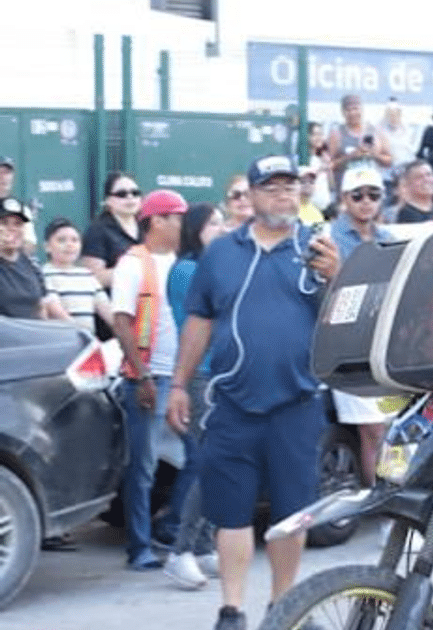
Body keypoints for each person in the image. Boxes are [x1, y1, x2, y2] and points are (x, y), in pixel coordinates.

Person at [166, 155, 340, 630]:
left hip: (298, 404)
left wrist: (337, 278)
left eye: (292, 185)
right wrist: (180, 384)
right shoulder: (221, 253)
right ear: (253, 194)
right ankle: (232, 609)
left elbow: (346, 318)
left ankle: (283, 609)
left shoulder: (318, 249)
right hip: (233, 404)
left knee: (291, 515)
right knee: (231, 513)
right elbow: (198, 322)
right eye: (273, 186)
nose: (284, 193)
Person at [110, 189, 188, 570]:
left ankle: (171, 526)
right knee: (143, 467)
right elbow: (121, 320)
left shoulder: (183, 262)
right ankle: (139, 547)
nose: (182, 224)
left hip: (181, 379)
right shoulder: (133, 264)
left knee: (199, 458)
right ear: (157, 221)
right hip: (150, 377)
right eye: (177, 217)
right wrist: (142, 377)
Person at [162, 202, 226, 590]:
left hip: (219, 374)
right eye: (213, 223)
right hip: (200, 376)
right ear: (195, 230)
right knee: (209, 464)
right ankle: (180, 551)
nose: (221, 229)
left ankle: (202, 546)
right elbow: (214, 315)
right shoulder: (187, 270)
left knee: (216, 463)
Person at [328, 166, 391, 488]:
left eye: (373, 195)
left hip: (385, 348)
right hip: (347, 348)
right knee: (374, 431)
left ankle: (390, 506)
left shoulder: (387, 238)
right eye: (358, 195)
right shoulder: (329, 238)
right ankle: (380, 506)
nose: (366, 202)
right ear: (344, 199)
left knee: (391, 433)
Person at [0, 200, 70, 321]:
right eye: (4, 223)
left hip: (34, 335)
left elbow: (42, 308)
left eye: (18, 224)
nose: (12, 229)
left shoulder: (32, 264)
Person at [42, 217, 114, 333]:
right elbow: (55, 311)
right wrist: (82, 334)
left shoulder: (87, 275)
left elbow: (106, 308)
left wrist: (124, 331)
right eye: (61, 240)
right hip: (63, 340)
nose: (69, 245)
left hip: (88, 342)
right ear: (47, 247)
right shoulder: (44, 274)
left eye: (75, 240)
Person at [81, 172, 142, 289]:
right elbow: (93, 277)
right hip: (113, 303)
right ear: (108, 200)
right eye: (121, 194)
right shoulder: (97, 230)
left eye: (135, 193)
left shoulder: (146, 226)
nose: (130, 197)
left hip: (147, 302)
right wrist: (135, 271)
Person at [327, 94, 393, 197]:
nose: (352, 113)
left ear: (361, 109)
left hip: (372, 192)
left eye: (355, 108)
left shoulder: (375, 131)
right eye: (348, 110)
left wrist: (374, 155)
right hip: (348, 193)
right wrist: (352, 156)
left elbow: (389, 161)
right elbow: (330, 165)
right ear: (343, 112)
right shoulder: (337, 133)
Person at [0, 156, 37, 255]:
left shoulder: (21, 209)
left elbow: (30, 244)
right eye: (0, 172)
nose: (3, 177)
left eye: (7, 172)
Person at [378, 97, 418, 167]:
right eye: (390, 112)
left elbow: (411, 151)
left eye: (396, 112)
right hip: (389, 168)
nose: (393, 115)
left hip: (406, 166)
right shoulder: (380, 129)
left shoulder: (407, 128)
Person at [303, 122, 333, 213]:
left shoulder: (322, 157)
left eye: (321, 134)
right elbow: (304, 181)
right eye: (315, 134)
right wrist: (321, 169)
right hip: (309, 211)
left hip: (325, 209)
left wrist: (328, 168)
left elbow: (331, 185)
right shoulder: (303, 158)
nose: (319, 138)